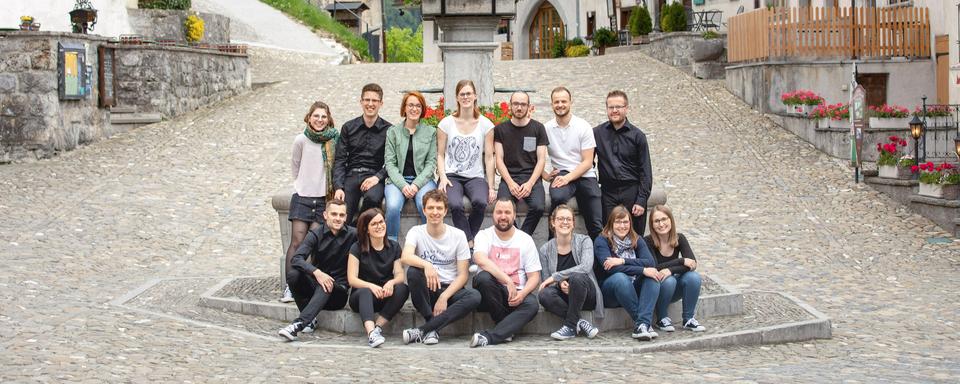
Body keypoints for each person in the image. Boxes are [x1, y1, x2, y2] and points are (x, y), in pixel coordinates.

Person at [400, 190, 481, 345]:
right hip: (428, 291)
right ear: (424, 210)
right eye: (430, 208)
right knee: (413, 272)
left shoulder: (458, 235)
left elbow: (463, 275)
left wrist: (444, 297)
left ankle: (424, 330)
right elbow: (406, 256)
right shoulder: (416, 232)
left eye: (438, 208)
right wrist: (427, 264)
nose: (434, 212)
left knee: (475, 296)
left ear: (445, 211)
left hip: (451, 292)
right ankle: (432, 326)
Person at [281, 101, 340, 303]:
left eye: (324, 116)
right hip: (303, 197)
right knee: (297, 243)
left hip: (323, 198)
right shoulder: (301, 140)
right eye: (316, 116)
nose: (320, 120)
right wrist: (300, 186)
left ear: (328, 119)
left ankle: (311, 284)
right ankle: (290, 286)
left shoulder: (333, 140)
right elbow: (295, 166)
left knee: (315, 245)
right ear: (309, 117)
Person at [279, 199, 357, 341]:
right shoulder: (316, 234)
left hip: (338, 293)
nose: (338, 218)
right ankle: (309, 318)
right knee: (294, 275)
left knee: (327, 283)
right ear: (325, 215)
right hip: (317, 286)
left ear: (346, 217)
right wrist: (317, 272)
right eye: (334, 214)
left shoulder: (353, 235)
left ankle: (298, 324)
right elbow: (296, 259)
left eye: (341, 215)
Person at [470, 198, 541, 347]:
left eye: (507, 212)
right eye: (499, 212)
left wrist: (522, 294)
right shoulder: (484, 235)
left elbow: (534, 277)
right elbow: (480, 259)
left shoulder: (525, 240)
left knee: (533, 304)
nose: (503, 216)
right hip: (491, 294)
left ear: (514, 215)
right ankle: (506, 328)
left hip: (517, 295)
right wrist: (508, 280)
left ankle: (492, 336)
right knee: (483, 278)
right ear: (493, 214)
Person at [436, 79, 496, 249]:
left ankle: (465, 240)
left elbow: (489, 158)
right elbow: (440, 155)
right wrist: (442, 177)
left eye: (469, 93)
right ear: (457, 97)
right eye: (462, 94)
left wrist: (491, 186)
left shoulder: (486, 125)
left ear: (475, 96)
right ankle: (470, 243)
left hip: (475, 176)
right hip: (451, 176)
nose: (466, 97)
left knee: (480, 202)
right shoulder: (445, 123)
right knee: (454, 204)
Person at [594, 205, 663, 341]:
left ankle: (641, 326)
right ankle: (643, 322)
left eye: (625, 222)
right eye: (618, 222)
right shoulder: (602, 240)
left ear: (630, 223)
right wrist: (642, 269)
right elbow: (610, 268)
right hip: (611, 292)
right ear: (611, 223)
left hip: (633, 287)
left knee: (652, 276)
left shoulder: (636, 239)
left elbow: (649, 263)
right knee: (621, 278)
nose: (622, 226)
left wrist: (622, 261)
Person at [542, 87, 603, 240]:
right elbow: (537, 157)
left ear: (570, 102)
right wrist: (545, 175)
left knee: (596, 221)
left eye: (563, 101)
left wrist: (568, 178)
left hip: (585, 174)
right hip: (561, 172)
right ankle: (553, 243)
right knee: (556, 197)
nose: (560, 105)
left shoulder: (583, 126)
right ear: (552, 104)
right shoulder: (547, 128)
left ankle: (598, 260)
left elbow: (588, 161)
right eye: (556, 102)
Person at [537, 204, 603, 340]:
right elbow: (546, 282)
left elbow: (585, 267)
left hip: (586, 294)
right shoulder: (545, 250)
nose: (565, 222)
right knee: (543, 294)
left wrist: (556, 276)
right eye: (561, 219)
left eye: (568, 219)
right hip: (562, 297)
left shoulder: (584, 241)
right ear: (553, 222)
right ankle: (579, 322)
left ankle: (569, 326)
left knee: (577, 278)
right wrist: (559, 283)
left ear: (573, 223)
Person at [347, 208, 410, 348]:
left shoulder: (394, 247)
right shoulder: (356, 248)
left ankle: (377, 328)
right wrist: (370, 286)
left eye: (381, 222)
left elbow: (400, 275)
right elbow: (352, 279)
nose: (379, 226)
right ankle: (371, 334)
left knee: (403, 289)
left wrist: (391, 282)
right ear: (366, 229)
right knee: (364, 291)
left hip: (384, 294)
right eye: (374, 224)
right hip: (361, 297)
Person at [593, 90, 653, 236]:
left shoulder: (638, 136)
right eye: (611, 107)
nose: (614, 111)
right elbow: (586, 161)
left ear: (626, 108)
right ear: (606, 109)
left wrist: (641, 199)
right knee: (608, 235)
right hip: (608, 192)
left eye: (618, 107)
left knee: (634, 237)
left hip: (631, 191)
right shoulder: (597, 133)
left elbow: (646, 171)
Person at [333, 83, 392, 225]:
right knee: (343, 210)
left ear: (381, 103)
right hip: (351, 175)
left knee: (372, 199)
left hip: (374, 176)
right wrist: (338, 187)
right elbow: (340, 159)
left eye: (374, 101)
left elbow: (392, 161)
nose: (370, 104)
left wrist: (377, 177)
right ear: (361, 102)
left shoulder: (389, 130)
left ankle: (358, 228)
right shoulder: (348, 127)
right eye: (367, 100)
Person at [383, 91, 438, 241]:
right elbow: (390, 163)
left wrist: (415, 185)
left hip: (423, 180)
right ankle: (392, 244)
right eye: (411, 105)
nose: (414, 109)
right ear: (404, 108)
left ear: (422, 109)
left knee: (425, 205)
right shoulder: (393, 132)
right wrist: (402, 185)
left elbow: (431, 163)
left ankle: (430, 241)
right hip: (397, 180)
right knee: (393, 206)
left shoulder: (431, 132)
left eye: (418, 106)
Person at [494, 91, 549, 236]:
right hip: (509, 177)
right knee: (503, 208)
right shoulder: (500, 129)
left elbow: (541, 159)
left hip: (532, 177)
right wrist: (510, 183)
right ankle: (516, 235)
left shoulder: (538, 128)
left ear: (529, 107)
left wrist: (530, 183)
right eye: (516, 104)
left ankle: (522, 237)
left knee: (538, 207)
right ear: (510, 106)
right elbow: (499, 159)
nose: (519, 108)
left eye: (523, 104)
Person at [644, 205, 705, 333]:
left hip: (674, 290)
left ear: (670, 220)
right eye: (657, 221)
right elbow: (654, 267)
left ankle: (688, 319)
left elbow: (692, 264)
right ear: (652, 225)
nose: (661, 224)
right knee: (669, 280)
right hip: (657, 290)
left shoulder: (679, 238)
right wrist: (681, 261)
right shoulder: (647, 242)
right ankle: (661, 318)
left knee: (693, 277)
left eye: (664, 219)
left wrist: (670, 270)